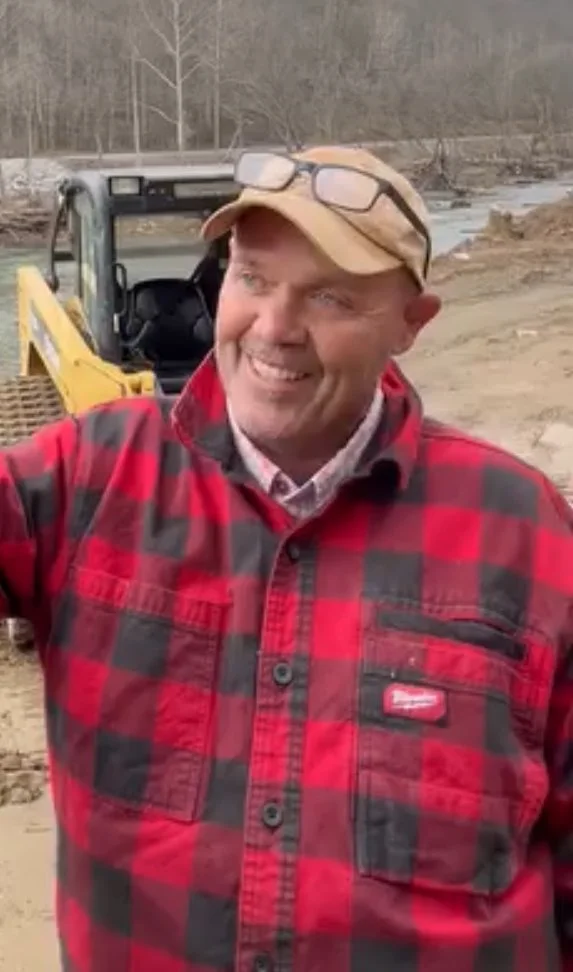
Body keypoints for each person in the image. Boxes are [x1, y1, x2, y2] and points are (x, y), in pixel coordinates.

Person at [1, 145, 572, 972]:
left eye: (329, 297)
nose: (273, 329)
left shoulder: (521, 530)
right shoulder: (89, 477)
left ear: (412, 323)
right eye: (252, 279)